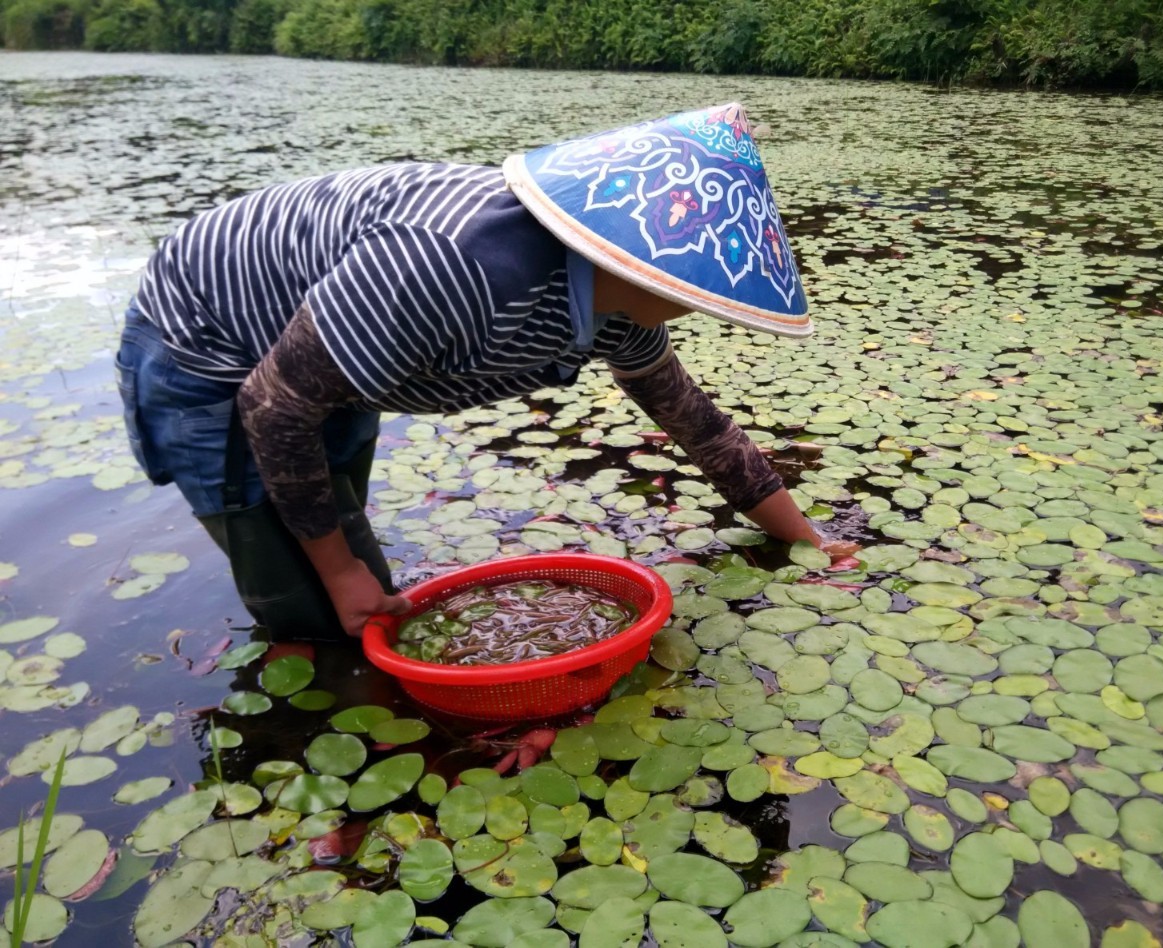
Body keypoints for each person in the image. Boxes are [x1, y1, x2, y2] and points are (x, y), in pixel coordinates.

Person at [115, 102, 856, 642]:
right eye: (703, 284)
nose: (710, 303)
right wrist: (340, 574)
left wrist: (808, 542)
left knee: (345, 543)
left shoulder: (619, 306)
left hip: (336, 349)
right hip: (209, 340)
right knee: (313, 601)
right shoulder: (452, 266)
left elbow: (698, 425)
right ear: (645, 263)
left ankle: (343, 604)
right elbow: (275, 410)